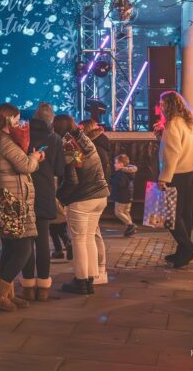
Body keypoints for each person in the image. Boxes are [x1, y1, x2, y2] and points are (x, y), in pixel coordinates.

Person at [0, 103, 42, 311]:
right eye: (17, 119)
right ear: (8, 119)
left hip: (2, 199)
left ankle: (7, 294)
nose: (19, 124)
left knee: (10, 247)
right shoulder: (4, 140)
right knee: (24, 249)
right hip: (13, 201)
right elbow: (25, 165)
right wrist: (35, 158)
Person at [53, 114, 109, 295]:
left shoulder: (69, 146)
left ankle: (81, 280)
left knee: (78, 240)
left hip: (82, 199)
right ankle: (90, 278)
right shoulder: (86, 140)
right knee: (89, 237)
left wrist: (59, 197)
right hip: (100, 195)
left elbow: (72, 180)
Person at [21, 102, 65, 301]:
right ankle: (44, 287)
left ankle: (28, 286)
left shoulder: (23, 135)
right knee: (43, 241)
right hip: (45, 193)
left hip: (24, 192)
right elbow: (59, 169)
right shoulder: (55, 138)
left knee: (26, 242)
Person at [156, 91, 193, 268]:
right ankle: (182, 253)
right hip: (189, 173)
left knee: (170, 216)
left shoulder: (173, 123)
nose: (160, 107)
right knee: (184, 214)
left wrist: (164, 178)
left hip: (176, 174)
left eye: (162, 104)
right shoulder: (186, 122)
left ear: (170, 105)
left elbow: (172, 153)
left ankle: (188, 248)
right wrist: (161, 136)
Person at [80, 118, 109, 284]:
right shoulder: (98, 145)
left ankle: (99, 270)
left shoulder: (95, 147)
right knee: (92, 233)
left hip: (93, 193)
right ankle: (96, 270)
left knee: (93, 233)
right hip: (98, 193)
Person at [110, 154, 138, 237]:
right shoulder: (129, 172)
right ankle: (131, 228)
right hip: (128, 196)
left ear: (121, 164)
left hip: (121, 197)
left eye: (116, 163)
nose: (114, 165)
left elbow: (120, 184)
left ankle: (131, 225)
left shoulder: (121, 173)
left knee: (118, 212)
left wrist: (112, 180)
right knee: (126, 212)